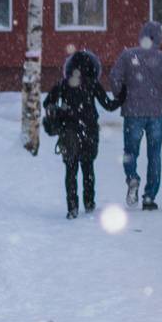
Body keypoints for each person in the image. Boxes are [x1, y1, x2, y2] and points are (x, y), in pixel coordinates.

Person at [110, 21, 162, 211]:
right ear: (159, 38)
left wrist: (121, 96)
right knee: (154, 154)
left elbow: (114, 78)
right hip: (156, 113)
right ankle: (149, 197)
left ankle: (132, 177)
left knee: (130, 151)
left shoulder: (128, 55)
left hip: (133, 112)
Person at [41, 50, 121, 219]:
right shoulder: (93, 84)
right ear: (93, 68)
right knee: (88, 167)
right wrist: (123, 95)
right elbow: (109, 105)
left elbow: (47, 103)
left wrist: (60, 110)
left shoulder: (63, 84)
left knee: (70, 170)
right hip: (89, 131)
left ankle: (72, 207)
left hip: (68, 132)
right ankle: (89, 202)